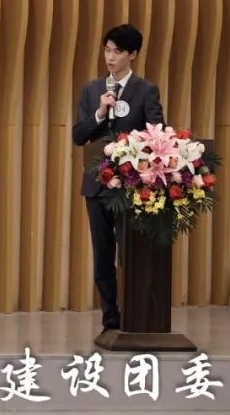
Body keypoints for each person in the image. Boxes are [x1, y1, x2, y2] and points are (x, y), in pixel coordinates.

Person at [72, 24, 165, 334]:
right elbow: (79, 136)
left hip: (131, 186)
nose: (110, 58)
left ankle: (135, 316)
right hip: (97, 185)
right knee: (103, 255)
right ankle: (110, 319)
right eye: (107, 51)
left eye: (118, 52)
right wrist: (100, 113)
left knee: (131, 255)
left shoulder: (146, 90)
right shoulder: (92, 90)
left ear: (133, 54)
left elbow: (157, 135)